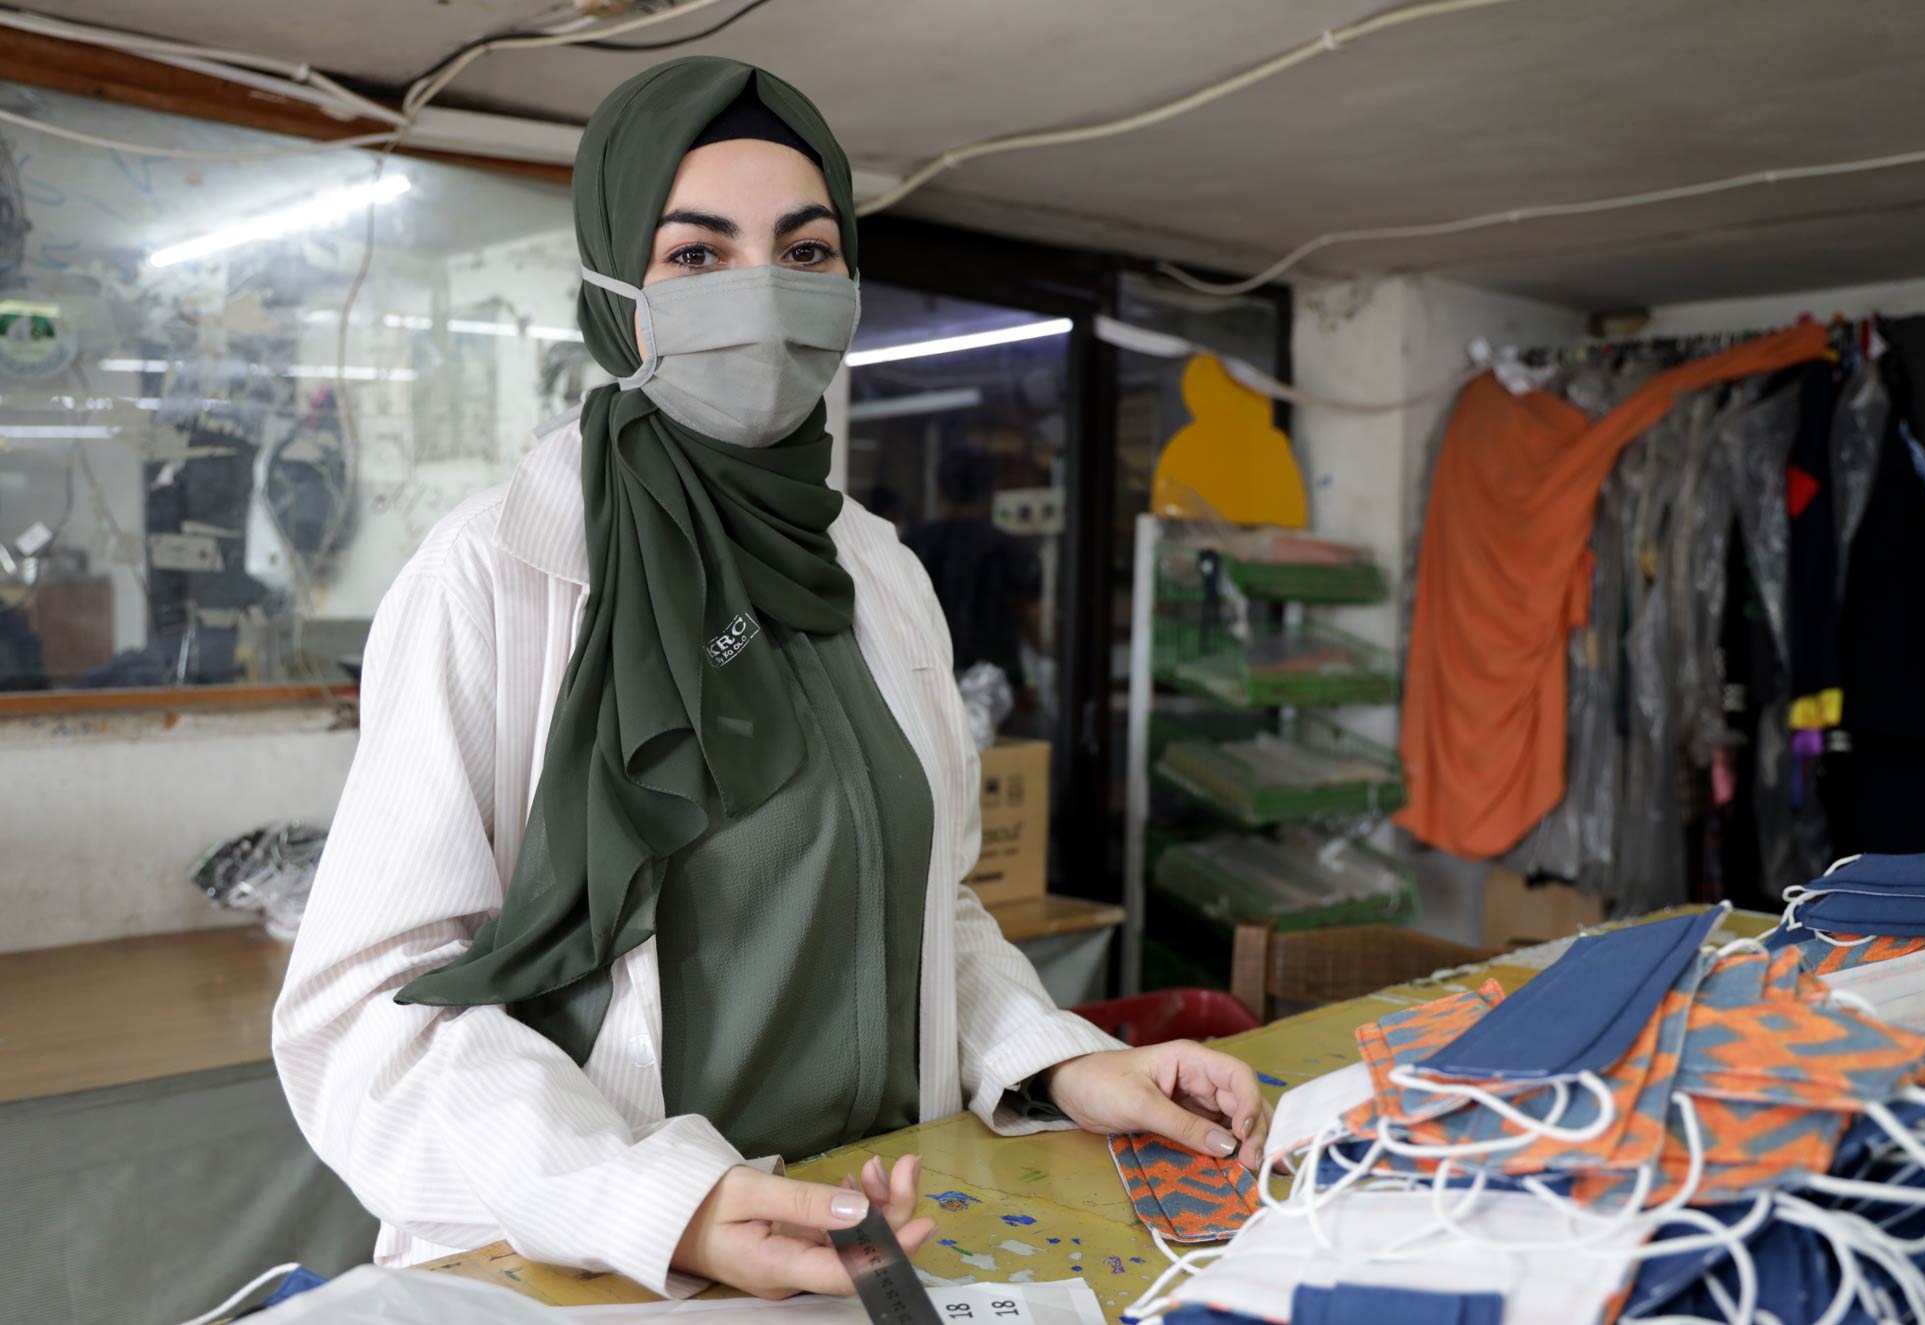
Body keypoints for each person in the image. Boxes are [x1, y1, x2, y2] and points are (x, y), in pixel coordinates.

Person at [273, 58, 1269, 1303]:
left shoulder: (875, 570)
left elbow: (932, 911)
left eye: (804, 254)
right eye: (696, 255)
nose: (761, 295)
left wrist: (1061, 1060)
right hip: (601, 1268)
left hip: (879, 1228)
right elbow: (371, 1013)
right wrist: (661, 1204)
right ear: (613, 292)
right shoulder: (496, 576)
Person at [903, 446, 1043, 692]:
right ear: (991, 491)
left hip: (925, 682)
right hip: (999, 686)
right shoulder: (1014, 551)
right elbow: (1032, 620)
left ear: (939, 490)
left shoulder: (910, 546)